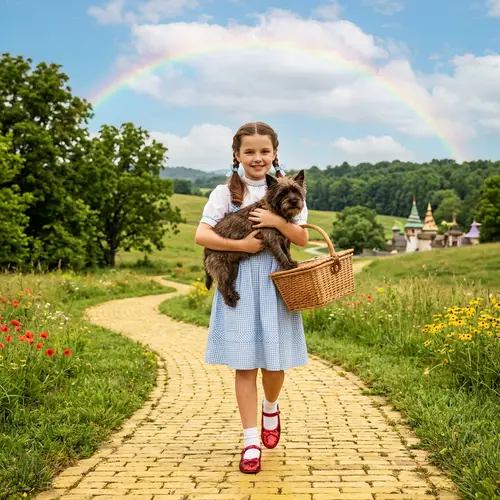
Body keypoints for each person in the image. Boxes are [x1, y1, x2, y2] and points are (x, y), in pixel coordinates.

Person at [194, 122, 309, 474]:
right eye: (249, 152)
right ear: (237, 155)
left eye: (264, 151)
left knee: (274, 366)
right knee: (244, 365)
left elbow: (302, 239)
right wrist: (240, 245)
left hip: (276, 285)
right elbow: (202, 236)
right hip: (242, 282)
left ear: (274, 153)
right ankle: (250, 441)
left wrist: (275, 219)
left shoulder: (289, 189)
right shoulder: (224, 193)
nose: (257, 158)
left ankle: (271, 407)